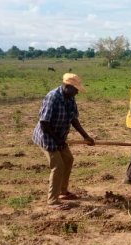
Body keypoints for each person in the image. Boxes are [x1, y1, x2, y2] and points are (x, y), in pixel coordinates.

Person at [33, 73, 95, 210]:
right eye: (75, 89)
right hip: (47, 137)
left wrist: (86, 137)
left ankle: (62, 191)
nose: (77, 92)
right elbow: (44, 123)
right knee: (58, 166)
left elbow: (73, 119)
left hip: (59, 137)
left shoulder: (70, 98)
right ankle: (52, 201)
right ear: (67, 86)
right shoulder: (53, 97)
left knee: (68, 159)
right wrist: (58, 140)